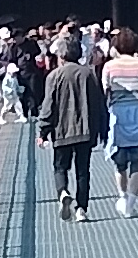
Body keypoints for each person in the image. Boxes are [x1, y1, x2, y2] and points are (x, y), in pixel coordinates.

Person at [41, 27, 106, 220]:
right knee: (83, 170)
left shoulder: (53, 76)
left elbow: (48, 106)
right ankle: (81, 209)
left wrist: (43, 130)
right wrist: (102, 129)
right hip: (85, 130)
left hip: (61, 131)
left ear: (62, 55)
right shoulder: (89, 74)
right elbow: (98, 104)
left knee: (60, 167)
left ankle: (62, 192)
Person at [104, 35, 138, 214]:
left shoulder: (109, 66)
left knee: (120, 161)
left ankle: (122, 197)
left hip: (119, 114)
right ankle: (131, 204)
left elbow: (106, 91)